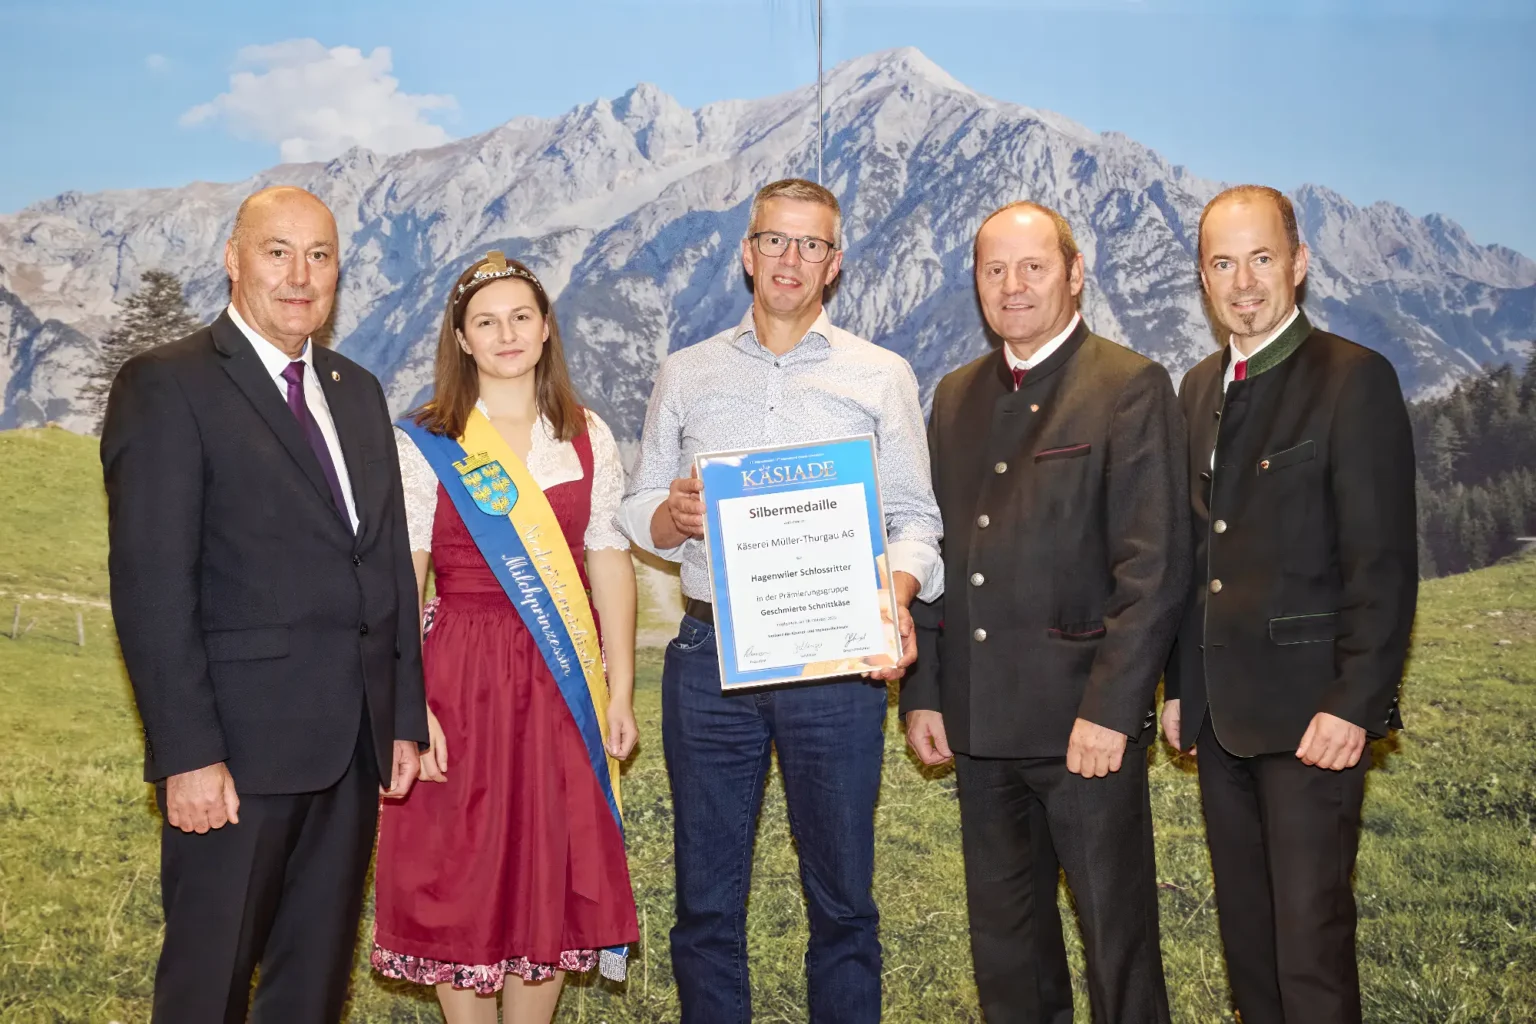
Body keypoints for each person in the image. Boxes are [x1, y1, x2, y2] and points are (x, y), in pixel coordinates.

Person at [100, 185, 427, 1022]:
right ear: (233, 259)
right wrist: (187, 754)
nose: (300, 275)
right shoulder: (166, 384)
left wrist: (400, 718)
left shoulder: (358, 390)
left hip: (350, 749)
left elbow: (384, 562)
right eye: (277, 251)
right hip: (234, 758)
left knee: (311, 992)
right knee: (208, 988)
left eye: (320, 256)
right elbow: (151, 584)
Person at [620, 177, 943, 1024]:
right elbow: (639, 507)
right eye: (775, 240)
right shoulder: (684, 373)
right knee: (705, 905)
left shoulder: (881, 375)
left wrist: (895, 595)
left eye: (810, 245)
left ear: (834, 263)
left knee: (842, 904)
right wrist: (672, 513)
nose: (790, 259)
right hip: (708, 660)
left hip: (836, 660)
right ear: (746, 252)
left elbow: (914, 517)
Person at [903, 201, 1188, 1023]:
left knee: (1117, 944)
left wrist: (1111, 708)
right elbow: (939, 548)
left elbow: (1155, 566)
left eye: (1032, 267)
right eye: (994, 270)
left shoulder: (1129, 385)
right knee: (1007, 951)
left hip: (1082, 729)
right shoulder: (955, 395)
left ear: (1074, 272)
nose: (1013, 286)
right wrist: (923, 690)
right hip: (979, 721)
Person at [1162, 185, 1417, 1024]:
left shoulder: (1354, 380)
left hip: (1315, 722)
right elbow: (1196, 555)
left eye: (1261, 258)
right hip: (1221, 720)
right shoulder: (1197, 388)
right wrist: (1179, 689)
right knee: (1250, 948)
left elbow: (1382, 566)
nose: (1243, 282)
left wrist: (1356, 704)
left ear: (1299, 264)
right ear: (1203, 278)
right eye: (1223, 263)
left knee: (1309, 949)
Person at [372, 251, 640, 1024]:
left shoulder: (587, 436)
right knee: (462, 860)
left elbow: (609, 563)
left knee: (545, 864)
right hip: (461, 675)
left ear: (547, 327)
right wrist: (406, 701)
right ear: (461, 339)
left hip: (562, 679)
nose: (507, 334)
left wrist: (619, 689)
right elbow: (404, 578)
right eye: (486, 322)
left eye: (522, 316)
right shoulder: (428, 439)